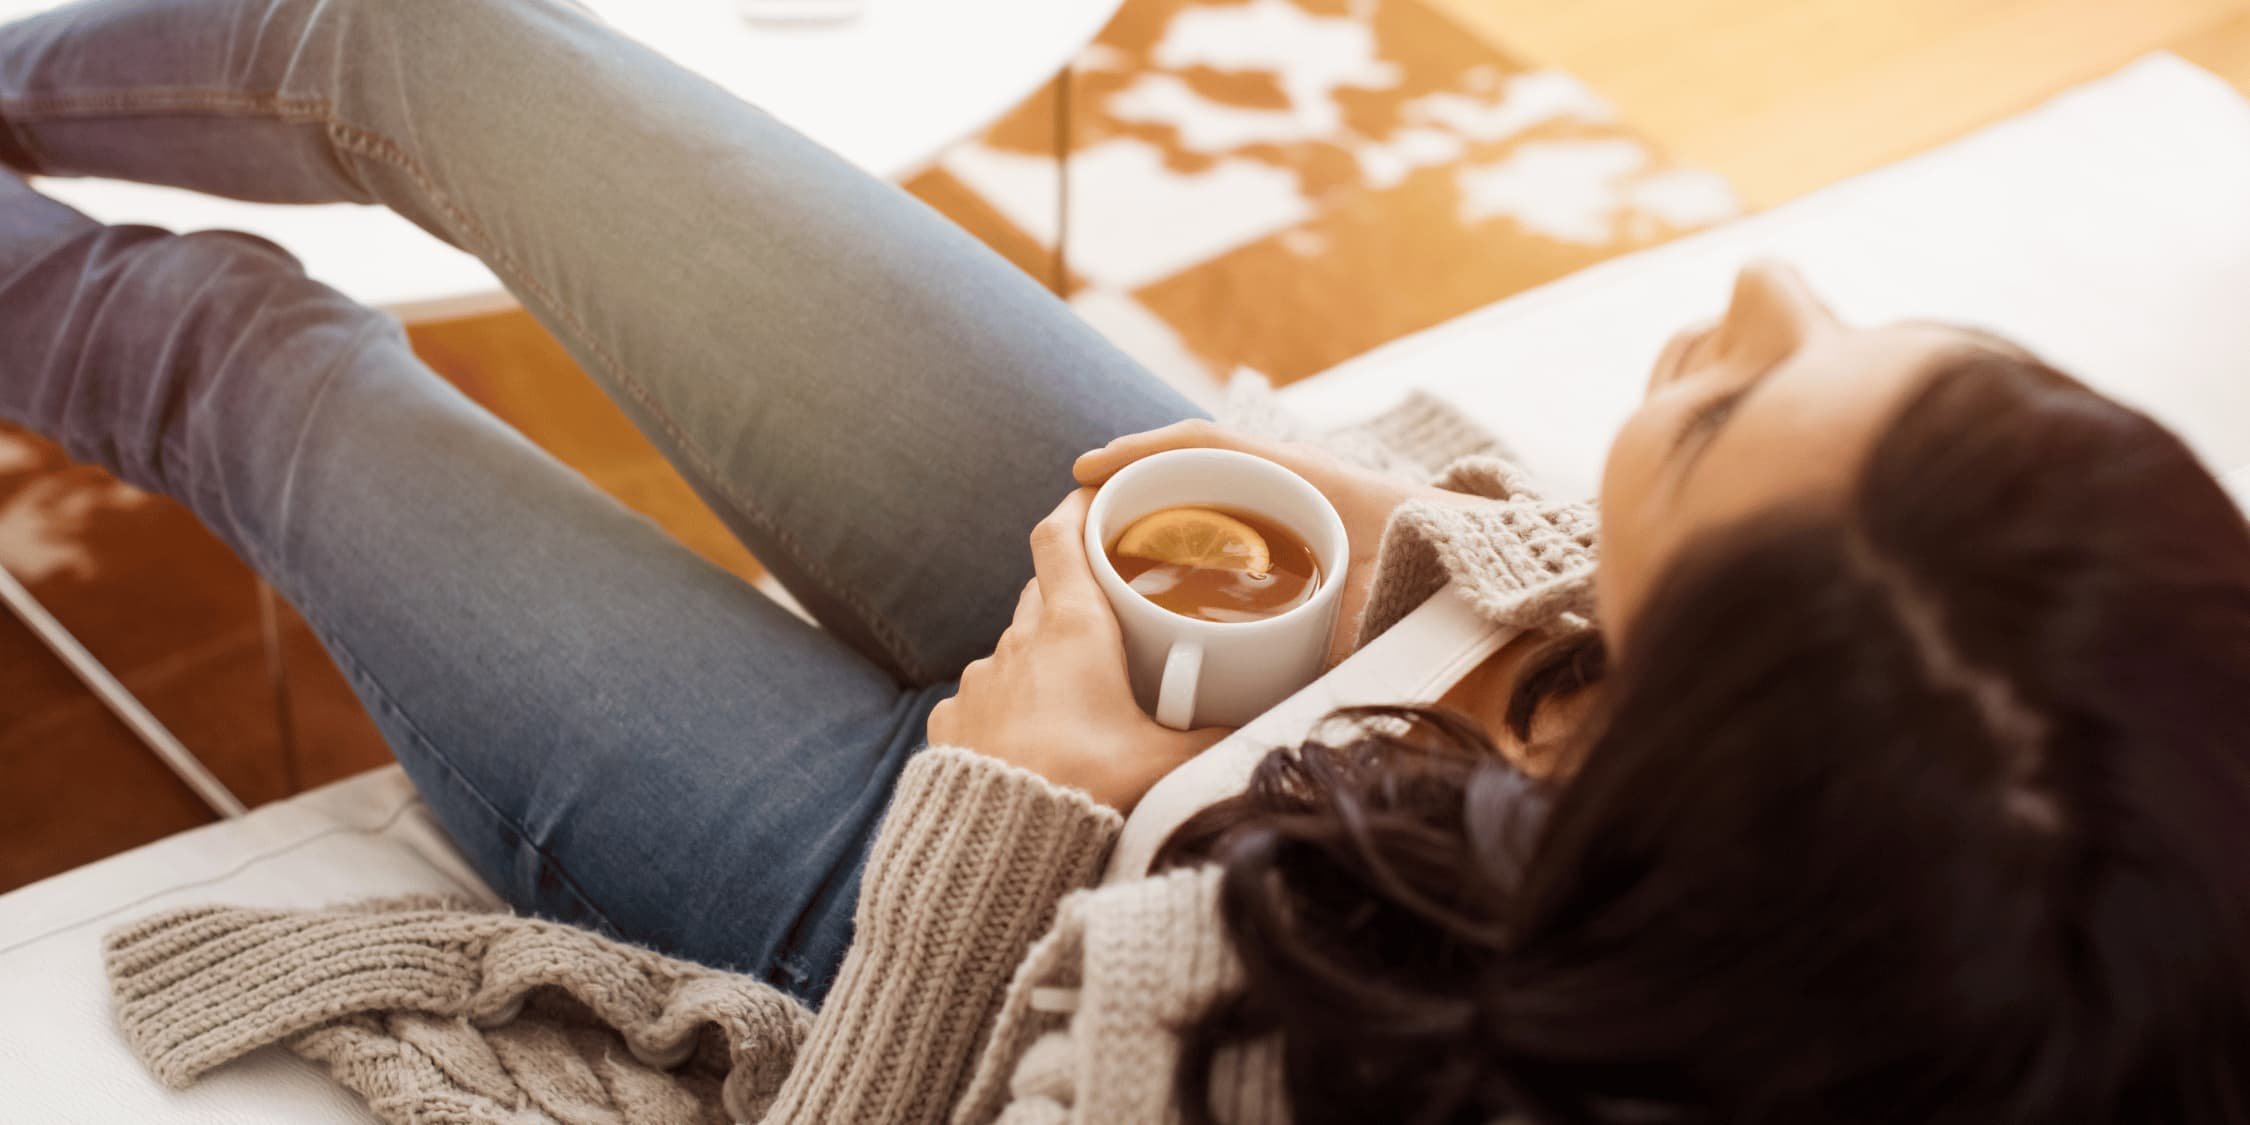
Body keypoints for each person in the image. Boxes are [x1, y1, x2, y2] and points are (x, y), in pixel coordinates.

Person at [7, 0, 2248, 1121]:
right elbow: (1585, 600)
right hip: (1274, 692)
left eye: (1747, 412)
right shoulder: (2035, 829)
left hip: (946, 920)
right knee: (418, 37)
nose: (1764, 301)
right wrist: (1450, 586)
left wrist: (1008, 810)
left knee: (240, 358)